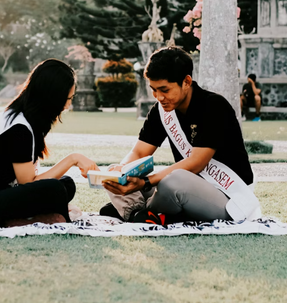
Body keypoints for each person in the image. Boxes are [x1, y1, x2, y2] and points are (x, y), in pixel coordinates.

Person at [101, 47, 261, 225]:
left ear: (186, 81)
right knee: (113, 172)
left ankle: (137, 211)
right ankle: (141, 213)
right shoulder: (161, 110)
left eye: (165, 90)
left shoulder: (214, 106)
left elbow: (195, 164)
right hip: (187, 188)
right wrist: (122, 172)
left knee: (173, 181)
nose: (159, 97)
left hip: (228, 195)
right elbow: (139, 153)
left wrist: (146, 183)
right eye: (154, 90)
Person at [0, 59, 99, 228]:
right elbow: (29, 183)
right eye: (67, 99)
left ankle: (29, 217)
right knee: (54, 189)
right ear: (52, 97)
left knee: (66, 184)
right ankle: (27, 219)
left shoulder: (19, 119)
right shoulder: (19, 128)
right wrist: (73, 159)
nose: (68, 105)